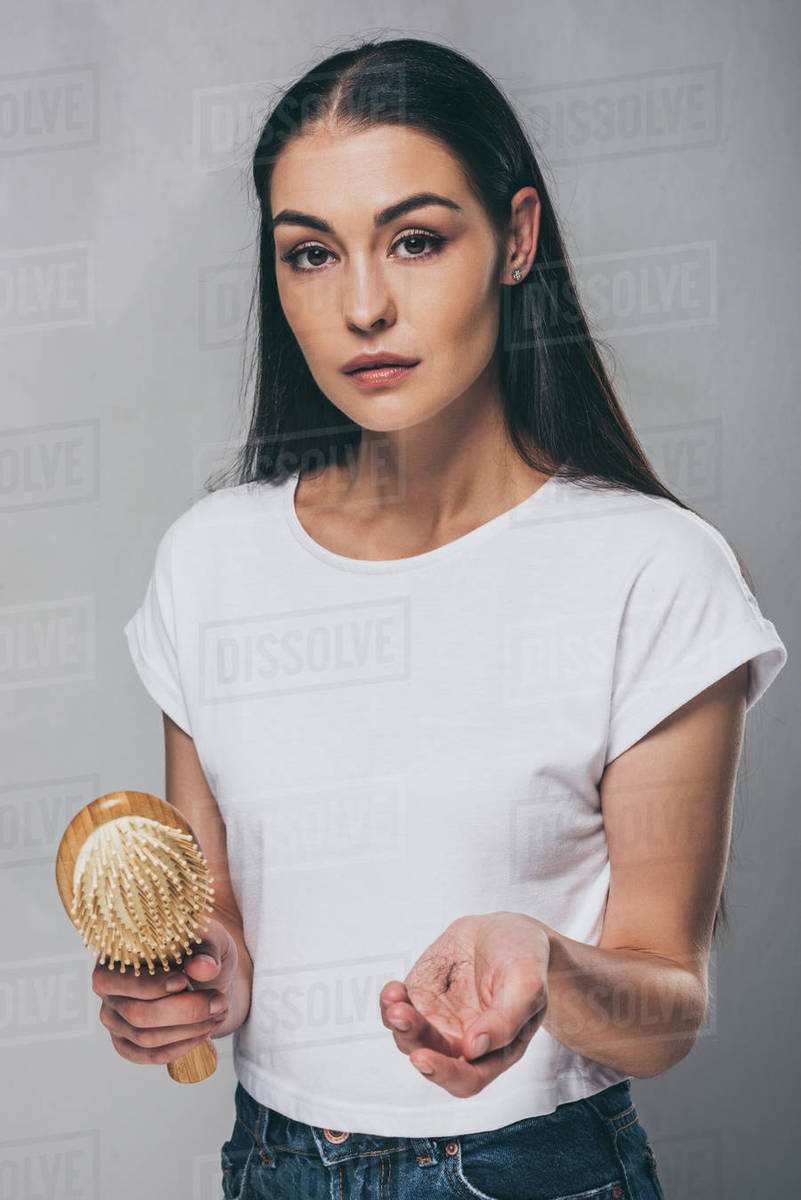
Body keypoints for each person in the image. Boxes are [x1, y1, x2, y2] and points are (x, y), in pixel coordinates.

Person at [96, 37, 787, 1200]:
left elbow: (666, 1006)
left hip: (532, 1170)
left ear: (516, 237)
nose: (363, 305)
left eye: (415, 240)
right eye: (311, 254)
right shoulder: (211, 562)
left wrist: (549, 965)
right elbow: (226, 931)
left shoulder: (652, 570)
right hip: (271, 1163)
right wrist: (189, 986)